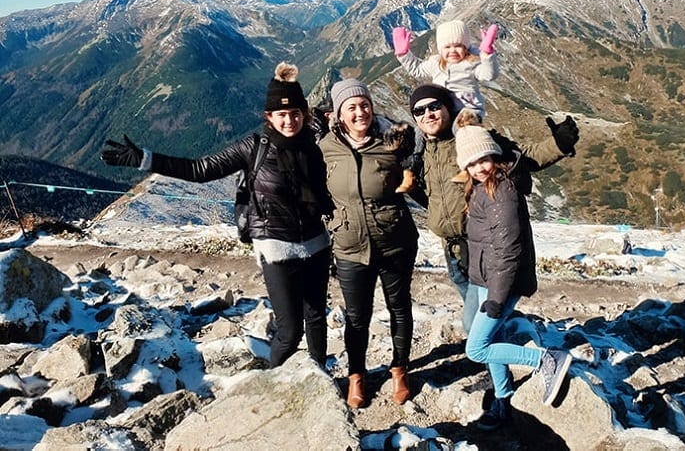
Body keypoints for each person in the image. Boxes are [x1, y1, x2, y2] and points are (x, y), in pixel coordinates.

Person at [100, 62, 334, 369]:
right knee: (289, 331)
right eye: (281, 114)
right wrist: (144, 159)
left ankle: (321, 377)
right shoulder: (254, 147)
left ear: (304, 113)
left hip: (316, 245)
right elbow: (201, 169)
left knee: (317, 319)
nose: (289, 120)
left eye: (295, 113)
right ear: (269, 117)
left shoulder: (315, 143)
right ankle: (278, 382)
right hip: (276, 249)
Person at [408, 83, 579, 334]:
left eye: (434, 106)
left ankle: (508, 355)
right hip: (452, 251)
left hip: (482, 247)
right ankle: (499, 349)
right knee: (478, 314)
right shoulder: (421, 150)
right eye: (419, 111)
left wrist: (559, 145)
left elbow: (523, 157)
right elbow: (432, 196)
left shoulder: (469, 138)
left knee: (479, 320)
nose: (428, 114)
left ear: (448, 107)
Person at [455, 121, 572, 430]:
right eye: (471, 162)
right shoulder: (482, 186)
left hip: (500, 282)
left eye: (483, 159)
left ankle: (547, 359)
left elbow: (508, 249)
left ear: (494, 155)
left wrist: (496, 298)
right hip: (486, 278)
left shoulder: (500, 190)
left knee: (476, 347)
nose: (478, 167)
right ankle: (504, 400)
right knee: (493, 337)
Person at [319, 78, 418, 409]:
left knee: (399, 307)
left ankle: (400, 369)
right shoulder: (326, 148)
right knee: (357, 317)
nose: (360, 112)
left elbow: (419, 177)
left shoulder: (392, 143)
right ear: (339, 115)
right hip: (349, 248)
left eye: (364, 104)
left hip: (395, 241)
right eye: (352, 107)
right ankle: (356, 376)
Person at [391, 20, 500, 192]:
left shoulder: (471, 64)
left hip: (468, 111)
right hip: (443, 111)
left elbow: (488, 75)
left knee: (463, 131)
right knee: (420, 132)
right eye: (447, 47)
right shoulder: (436, 64)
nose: (452, 51)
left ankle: (467, 168)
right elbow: (417, 69)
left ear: (466, 47)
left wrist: (487, 54)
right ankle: (411, 172)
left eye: (458, 46)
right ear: (440, 49)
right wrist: (404, 54)